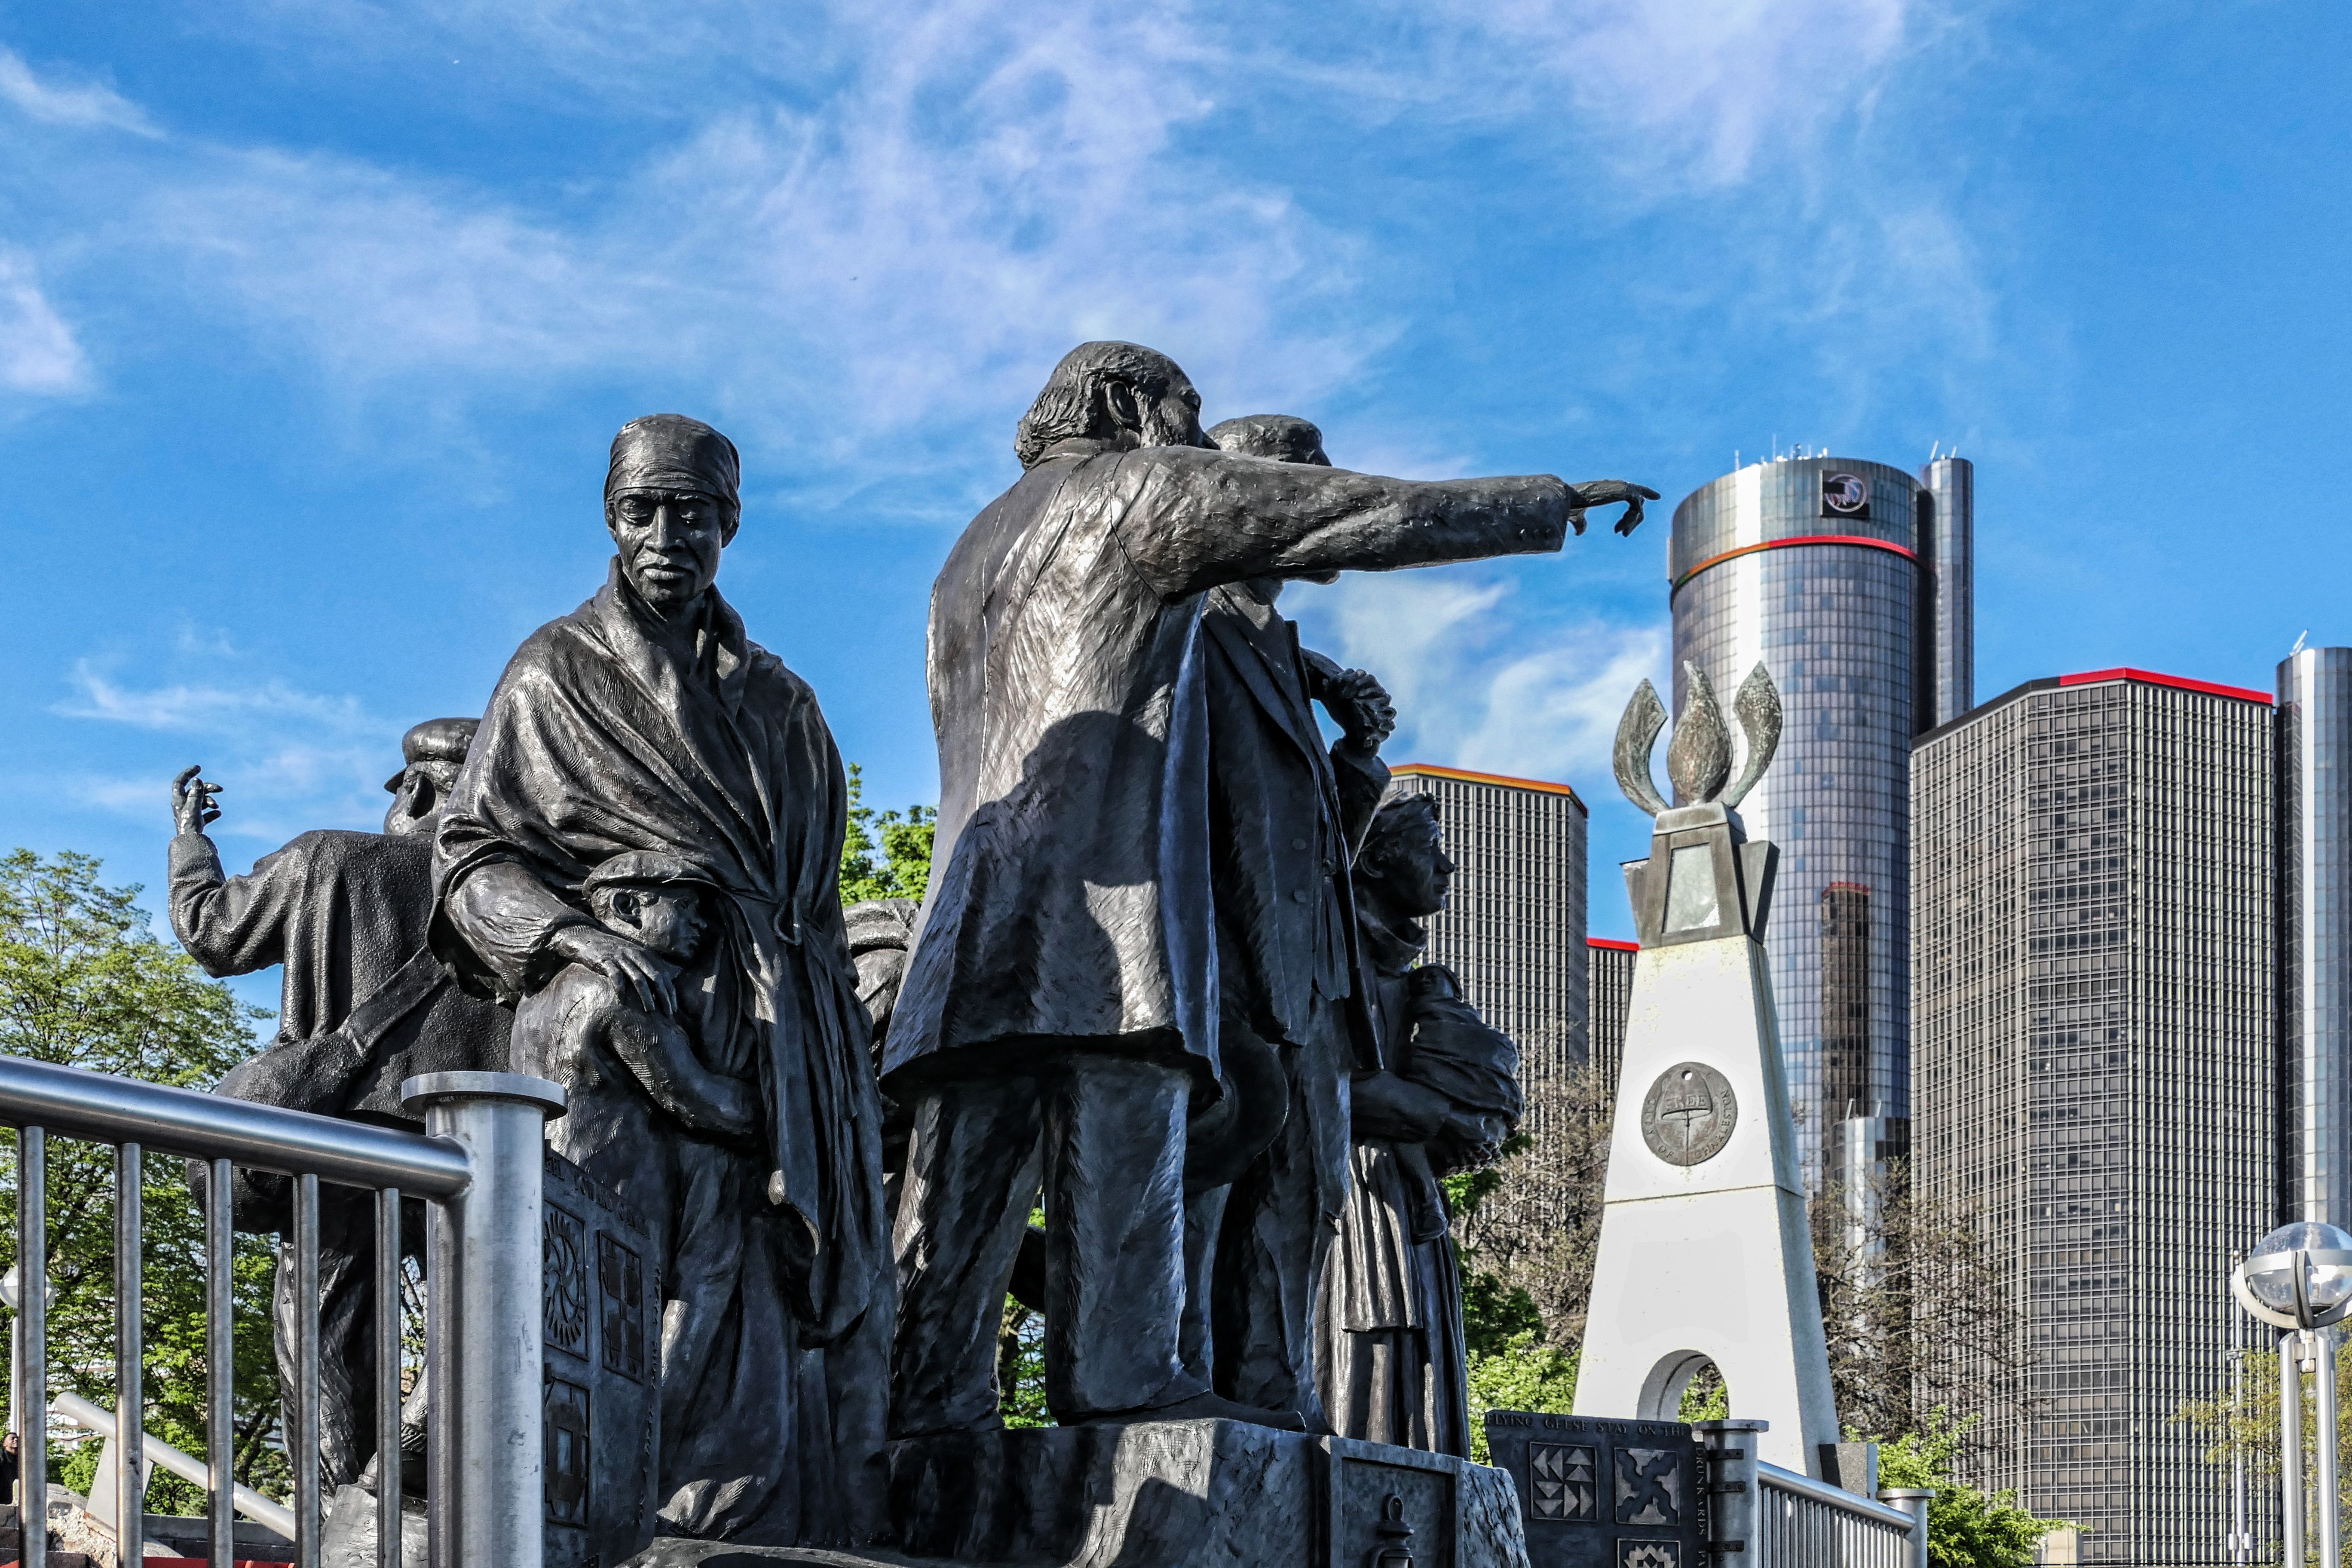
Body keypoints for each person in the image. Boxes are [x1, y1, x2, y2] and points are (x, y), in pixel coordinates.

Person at [885, 340, 1651, 1438]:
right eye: (1185, 415)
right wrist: (1547, 504)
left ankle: (928, 1426)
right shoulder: (1133, 490)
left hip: (973, 928)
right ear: (1123, 406)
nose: (1199, 442)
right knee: (1121, 1190)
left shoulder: (972, 548)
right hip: (1108, 929)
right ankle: (1126, 1385)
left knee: (962, 1210)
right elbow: (1359, 515)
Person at [432, 414, 888, 1547]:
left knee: (746, 1295)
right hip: (603, 1017)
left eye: (691, 511)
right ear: (612, 518)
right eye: (642, 509)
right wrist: (571, 938)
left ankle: (728, 1522)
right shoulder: (553, 671)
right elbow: (471, 850)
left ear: (730, 523)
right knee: (595, 1279)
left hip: (760, 1026)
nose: (666, 534)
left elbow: (816, 907)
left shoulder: (785, 705)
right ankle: (564, 1510)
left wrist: (822, 1072)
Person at [166, 720, 510, 1495]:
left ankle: (346, 1531)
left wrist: (190, 844)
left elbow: (211, 933)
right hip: (483, 1158)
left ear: (416, 790)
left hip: (344, 1146)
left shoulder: (330, 858)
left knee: (325, 1351)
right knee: (488, 1352)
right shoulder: (516, 902)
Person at [1183, 412, 1393, 1428]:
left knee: (1305, 1197)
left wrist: (1355, 759)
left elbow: (1315, 860)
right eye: (1312, 496)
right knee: (1204, 1194)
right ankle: (1184, 1383)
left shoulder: (1282, 651)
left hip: (1312, 982)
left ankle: (1274, 1393)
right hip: (1223, 973)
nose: (1330, 520)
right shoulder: (1187, 628)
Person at [1316, 793, 1521, 1455]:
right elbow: (1335, 1087)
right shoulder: (1327, 963)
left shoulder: (1416, 986)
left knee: (1420, 1387)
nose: (1449, 865)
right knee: (1363, 1373)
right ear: (1375, 859)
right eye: (1430, 849)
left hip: (1403, 1206)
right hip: (1348, 1205)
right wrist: (1451, 1117)